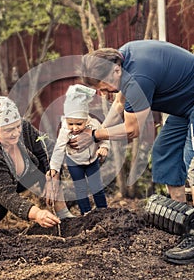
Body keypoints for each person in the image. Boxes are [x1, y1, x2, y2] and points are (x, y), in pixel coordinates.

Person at [69, 40, 194, 264]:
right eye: (99, 89)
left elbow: (132, 130)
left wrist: (96, 137)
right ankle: (186, 224)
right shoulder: (121, 59)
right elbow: (119, 104)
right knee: (165, 153)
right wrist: (98, 133)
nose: (104, 92)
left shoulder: (137, 78)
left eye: (104, 85)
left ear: (116, 70)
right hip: (184, 106)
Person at [0, 96, 73, 232]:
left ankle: (63, 213)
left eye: (17, 126)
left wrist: (52, 177)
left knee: (47, 166)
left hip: (17, 175)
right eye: (8, 130)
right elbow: (5, 194)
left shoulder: (24, 127)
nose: (15, 133)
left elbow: (46, 151)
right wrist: (37, 214)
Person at [46, 84, 110, 215]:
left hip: (92, 161)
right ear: (66, 120)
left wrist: (104, 147)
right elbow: (59, 149)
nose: (74, 128)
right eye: (71, 124)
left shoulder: (94, 124)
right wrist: (54, 167)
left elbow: (104, 136)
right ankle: (85, 212)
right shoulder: (65, 130)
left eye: (79, 124)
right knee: (80, 188)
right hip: (74, 163)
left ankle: (103, 210)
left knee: (96, 186)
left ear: (86, 119)